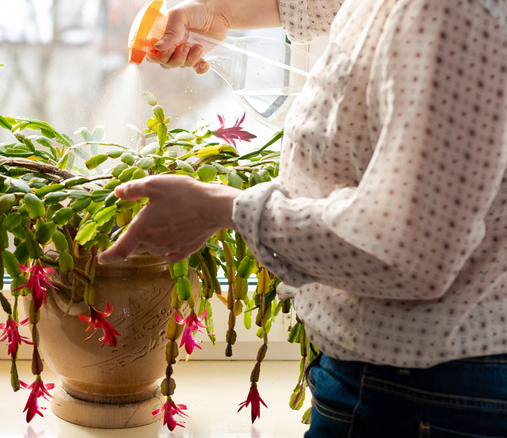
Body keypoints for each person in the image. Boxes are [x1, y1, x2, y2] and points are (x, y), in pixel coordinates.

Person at [99, 0, 507, 436]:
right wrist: (220, 14)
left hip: (421, 396)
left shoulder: (448, 14)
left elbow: (407, 253)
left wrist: (222, 207)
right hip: (392, 380)